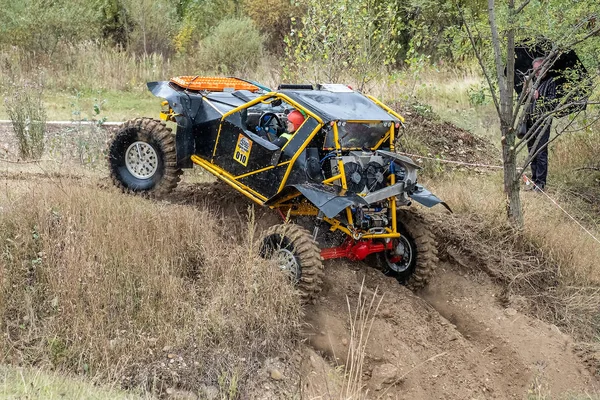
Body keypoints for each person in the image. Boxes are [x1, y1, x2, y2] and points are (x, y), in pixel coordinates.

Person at [523, 57, 557, 191]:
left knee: (541, 151)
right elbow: (527, 101)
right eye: (535, 70)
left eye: (539, 69)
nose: (536, 72)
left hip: (543, 121)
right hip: (530, 120)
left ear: (545, 68)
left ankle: (541, 184)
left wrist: (539, 97)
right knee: (531, 151)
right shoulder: (534, 82)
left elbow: (553, 103)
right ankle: (534, 180)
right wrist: (527, 92)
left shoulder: (551, 81)